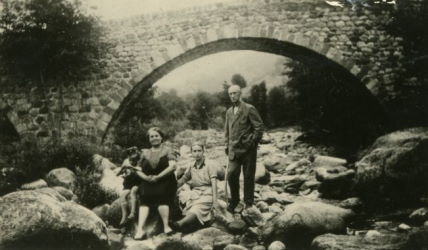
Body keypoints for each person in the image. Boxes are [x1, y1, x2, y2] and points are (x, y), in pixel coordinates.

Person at [224, 84, 264, 213]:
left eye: (234, 93)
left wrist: (251, 142)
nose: (232, 96)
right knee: (231, 175)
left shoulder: (249, 108)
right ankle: (234, 201)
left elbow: (259, 127)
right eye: (230, 94)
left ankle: (248, 203)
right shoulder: (229, 112)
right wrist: (226, 145)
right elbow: (227, 131)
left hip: (248, 150)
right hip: (234, 150)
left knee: (248, 176)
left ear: (240, 94)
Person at [133, 127, 178, 240]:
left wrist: (158, 177)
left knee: (162, 196)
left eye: (156, 136)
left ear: (161, 137)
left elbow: (173, 167)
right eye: (151, 136)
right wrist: (146, 178)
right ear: (149, 139)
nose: (154, 138)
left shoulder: (168, 150)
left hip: (165, 180)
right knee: (144, 199)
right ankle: (140, 230)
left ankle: (166, 227)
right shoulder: (144, 153)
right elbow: (137, 169)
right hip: (148, 181)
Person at [172, 142, 220, 232]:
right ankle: (184, 223)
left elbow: (214, 183)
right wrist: (172, 187)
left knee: (197, 208)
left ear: (203, 151)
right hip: (195, 191)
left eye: (199, 151)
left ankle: (179, 224)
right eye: (194, 151)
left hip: (208, 192)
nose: (197, 153)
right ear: (192, 153)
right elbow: (184, 178)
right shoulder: (191, 165)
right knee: (182, 197)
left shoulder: (210, 164)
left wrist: (215, 201)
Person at [117, 146, 141, 228]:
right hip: (128, 183)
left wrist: (132, 167)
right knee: (123, 195)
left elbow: (141, 170)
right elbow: (120, 172)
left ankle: (133, 212)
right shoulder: (126, 161)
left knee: (133, 191)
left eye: (134, 160)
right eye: (131, 159)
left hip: (138, 182)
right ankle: (124, 216)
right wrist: (122, 172)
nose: (132, 161)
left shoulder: (140, 162)